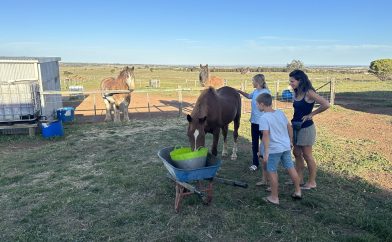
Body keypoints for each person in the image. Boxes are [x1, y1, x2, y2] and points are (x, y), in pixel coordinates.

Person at [256, 93, 302, 205]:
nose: (256, 106)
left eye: (257, 104)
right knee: (290, 168)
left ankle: (274, 197)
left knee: (272, 172)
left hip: (273, 149)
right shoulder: (280, 113)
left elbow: (265, 135)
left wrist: (266, 152)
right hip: (285, 146)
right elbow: (289, 127)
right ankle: (298, 191)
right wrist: (291, 141)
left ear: (262, 104)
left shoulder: (263, 118)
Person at [289, 70, 330, 190]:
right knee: (296, 153)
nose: (290, 83)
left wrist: (311, 114)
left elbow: (326, 104)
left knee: (307, 155)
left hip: (306, 128)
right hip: (295, 126)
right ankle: (299, 179)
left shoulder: (309, 93)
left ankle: (312, 182)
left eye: (292, 81)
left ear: (300, 80)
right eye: (290, 81)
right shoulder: (296, 93)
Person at [237, 74, 270, 175]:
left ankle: (267, 161)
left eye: (253, 81)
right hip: (254, 122)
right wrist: (239, 91)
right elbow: (248, 96)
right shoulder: (255, 91)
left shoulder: (265, 93)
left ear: (258, 82)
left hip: (263, 124)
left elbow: (268, 108)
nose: (252, 83)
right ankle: (255, 163)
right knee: (254, 144)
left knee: (265, 144)